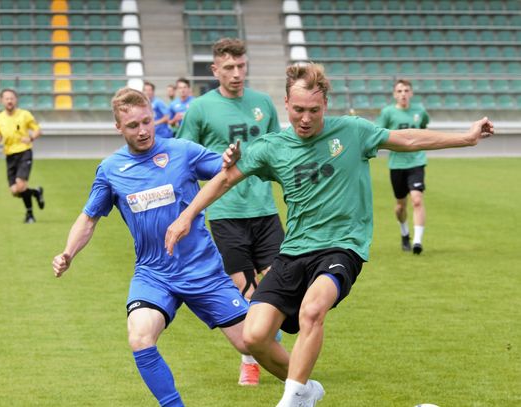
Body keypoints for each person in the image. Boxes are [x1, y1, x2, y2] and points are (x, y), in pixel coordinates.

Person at [165, 63, 494, 406]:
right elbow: (225, 178)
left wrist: (466, 137)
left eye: (314, 110)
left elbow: (407, 138)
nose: (305, 119)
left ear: (326, 105)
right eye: (298, 110)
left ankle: (290, 400)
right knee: (254, 336)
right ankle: (304, 391)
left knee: (312, 310)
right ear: (286, 104)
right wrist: (187, 216)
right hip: (293, 250)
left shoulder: (352, 131)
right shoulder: (271, 147)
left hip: (342, 247)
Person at [52, 88, 264, 406]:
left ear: (153, 117)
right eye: (133, 125)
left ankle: (303, 388)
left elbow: (225, 170)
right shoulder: (110, 170)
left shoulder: (182, 151)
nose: (143, 131)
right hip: (154, 274)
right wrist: (68, 252)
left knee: (255, 343)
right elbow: (89, 218)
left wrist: (228, 159)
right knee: (139, 336)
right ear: (118, 128)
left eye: (147, 122)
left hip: (202, 271)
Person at [177, 37, 285, 386]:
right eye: (229, 68)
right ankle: (252, 360)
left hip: (265, 211)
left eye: (241, 66)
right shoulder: (200, 109)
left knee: (276, 291)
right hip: (225, 213)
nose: (237, 74)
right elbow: (185, 159)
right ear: (215, 70)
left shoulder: (263, 103)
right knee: (249, 292)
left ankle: (269, 357)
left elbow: (277, 152)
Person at [376, 79, 430, 254]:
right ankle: (404, 232)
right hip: (397, 165)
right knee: (400, 206)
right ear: (394, 94)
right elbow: (378, 134)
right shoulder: (388, 113)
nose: (403, 94)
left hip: (416, 162)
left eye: (406, 90)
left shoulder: (420, 112)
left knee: (417, 199)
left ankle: (417, 241)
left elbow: (422, 129)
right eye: (399, 91)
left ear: (411, 93)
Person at [0, 88, 45, 224]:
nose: (9, 101)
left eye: (12, 98)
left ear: (16, 100)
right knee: (15, 191)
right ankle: (36, 192)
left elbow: (38, 130)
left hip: (24, 152)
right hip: (9, 155)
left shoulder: (25, 115)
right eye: (6, 98)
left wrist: (31, 138)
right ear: (2, 101)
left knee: (21, 186)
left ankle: (30, 215)